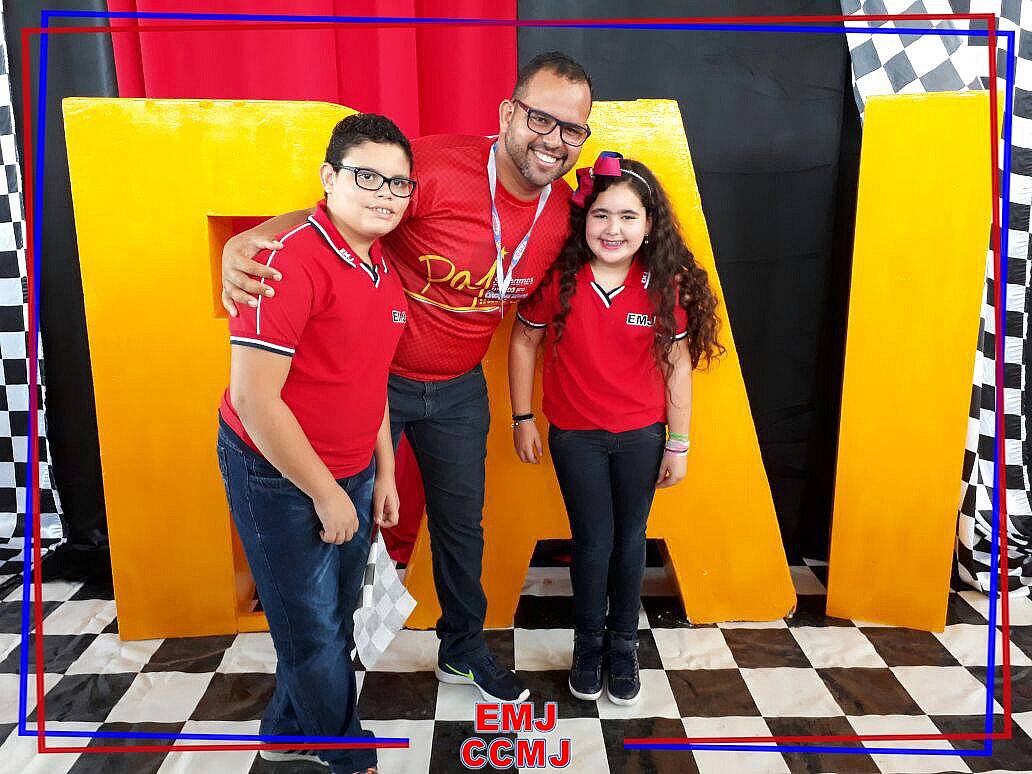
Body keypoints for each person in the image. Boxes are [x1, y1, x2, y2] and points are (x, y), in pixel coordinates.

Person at [220, 52, 594, 704]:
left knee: (461, 526)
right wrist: (248, 240)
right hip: (378, 384)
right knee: (348, 522)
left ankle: (463, 651)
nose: (553, 139)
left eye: (572, 129)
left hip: (459, 388)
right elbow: (337, 214)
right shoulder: (438, 168)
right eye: (541, 118)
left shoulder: (561, 214)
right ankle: (333, 666)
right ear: (508, 113)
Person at [216, 113, 414, 774]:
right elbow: (255, 400)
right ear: (328, 178)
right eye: (367, 177)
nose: (385, 194)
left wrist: (383, 473)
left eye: (399, 183)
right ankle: (347, 753)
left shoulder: (383, 267)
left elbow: (370, 380)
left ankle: (282, 732)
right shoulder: (284, 260)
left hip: (353, 468)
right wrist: (328, 495)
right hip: (277, 474)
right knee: (312, 631)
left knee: (330, 619)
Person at [508, 152, 724, 705]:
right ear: (584, 220)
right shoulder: (561, 278)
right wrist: (523, 417)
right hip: (575, 436)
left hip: (642, 436)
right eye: (601, 214)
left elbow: (677, 365)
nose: (613, 228)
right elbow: (525, 340)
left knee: (630, 542)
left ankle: (623, 646)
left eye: (628, 216)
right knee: (592, 541)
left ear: (649, 225)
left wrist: (679, 442)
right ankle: (587, 645)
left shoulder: (664, 285)